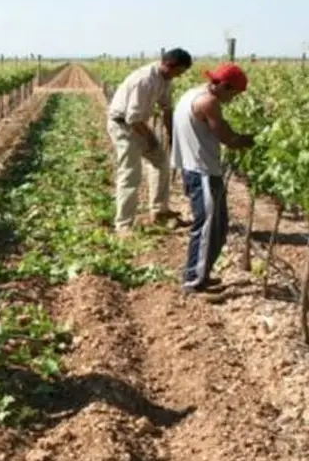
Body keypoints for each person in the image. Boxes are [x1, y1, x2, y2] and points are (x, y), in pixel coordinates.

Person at [171, 63, 255, 293]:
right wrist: (250, 140)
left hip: (199, 170)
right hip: (203, 173)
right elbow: (227, 137)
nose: (234, 98)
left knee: (218, 226)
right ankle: (193, 280)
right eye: (234, 93)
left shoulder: (193, 94)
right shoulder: (209, 102)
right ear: (225, 86)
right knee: (207, 227)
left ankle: (202, 274)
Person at [107, 48, 193, 233]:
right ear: (168, 65)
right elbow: (133, 119)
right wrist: (150, 139)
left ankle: (159, 212)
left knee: (161, 162)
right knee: (130, 174)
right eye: (178, 72)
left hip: (138, 124)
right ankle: (123, 225)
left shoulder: (165, 79)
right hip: (123, 126)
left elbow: (166, 108)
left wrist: (172, 135)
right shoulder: (145, 80)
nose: (178, 76)